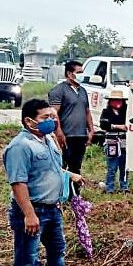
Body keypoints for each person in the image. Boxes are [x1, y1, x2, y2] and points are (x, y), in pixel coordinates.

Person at [3, 99, 86, 266]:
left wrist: (69, 175)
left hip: (52, 209)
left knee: (57, 251)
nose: (51, 121)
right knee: (26, 260)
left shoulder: (47, 140)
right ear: (29, 121)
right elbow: (18, 183)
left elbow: (50, 169)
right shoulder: (20, 147)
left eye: (52, 116)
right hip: (32, 211)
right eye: (45, 118)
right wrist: (29, 214)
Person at [48, 60, 94, 194]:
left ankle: (74, 195)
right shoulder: (59, 90)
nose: (81, 75)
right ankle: (59, 194)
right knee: (62, 166)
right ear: (69, 73)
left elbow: (87, 111)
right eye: (78, 72)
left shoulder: (83, 90)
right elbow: (54, 113)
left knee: (76, 167)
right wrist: (59, 132)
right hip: (66, 135)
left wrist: (91, 129)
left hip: (80, 135)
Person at [100, 90, 130, 193]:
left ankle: (124, 187)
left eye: (119, 100)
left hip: (124, 143)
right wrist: (118, 126)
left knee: (124, 167)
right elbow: (103, 125)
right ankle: (110, 188)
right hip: (111, 142)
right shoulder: (106, 112)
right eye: (114, 100)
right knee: (112, 167)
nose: (117, 102)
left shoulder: (127, 112)